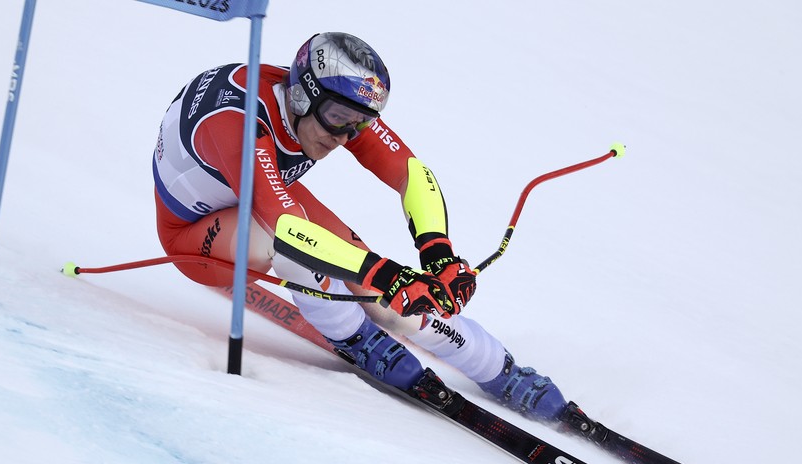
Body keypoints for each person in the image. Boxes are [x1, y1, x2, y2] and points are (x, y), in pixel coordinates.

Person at [152, 32, 569, 422]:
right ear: (300, 96)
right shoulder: (238, 124)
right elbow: (287, 229)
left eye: (359, 124)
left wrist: (438, 253)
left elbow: (410, 173)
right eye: (337, 120)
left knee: (384, 294)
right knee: (303, 251)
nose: (344, 136)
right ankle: (353, 338)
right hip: (195, 236)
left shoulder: (336, 106)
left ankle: (495, 366)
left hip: (261, 194)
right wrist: (385, 274)